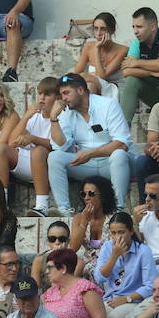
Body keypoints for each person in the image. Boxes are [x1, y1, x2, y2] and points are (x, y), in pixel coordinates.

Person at [49, 72, 131, 216]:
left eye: (66, 93)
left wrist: (91, 153)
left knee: (119, 154)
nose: (63, 99)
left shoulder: (108, 104)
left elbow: (122, 144)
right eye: (61, 95)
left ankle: (118, 209)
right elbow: (60, 146)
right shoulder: (67, 112)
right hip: (86, 164)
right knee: (54, 157)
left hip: (112, 163)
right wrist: (53, 119)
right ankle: (64, 210)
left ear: (81, 90)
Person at [41, 247, 106, 318]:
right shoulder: (50, 293)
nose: (47, 272)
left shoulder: (85, 288)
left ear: (63, 268)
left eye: (50, 268)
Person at [8, 76, 58, 216]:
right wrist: (25, 117)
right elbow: (11, 143)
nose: (41, 98)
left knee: (39, 150)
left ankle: (42, 205)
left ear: (57, 98)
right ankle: (2, 202)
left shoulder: (62, 116)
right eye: (40, 93)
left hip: (50, 165)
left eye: (47, 94)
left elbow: (57, 146)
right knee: (1, 150)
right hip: (30, 162)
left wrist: (32, 138)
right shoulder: (34, 116)